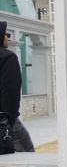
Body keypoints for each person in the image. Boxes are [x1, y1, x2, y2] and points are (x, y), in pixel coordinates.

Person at [0, 22, 34, 152]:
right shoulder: (7, 57)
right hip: (5, 121)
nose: (8, 38)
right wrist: (9, 121)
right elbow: (10, 93)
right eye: (6, 34)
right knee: (28, 155)